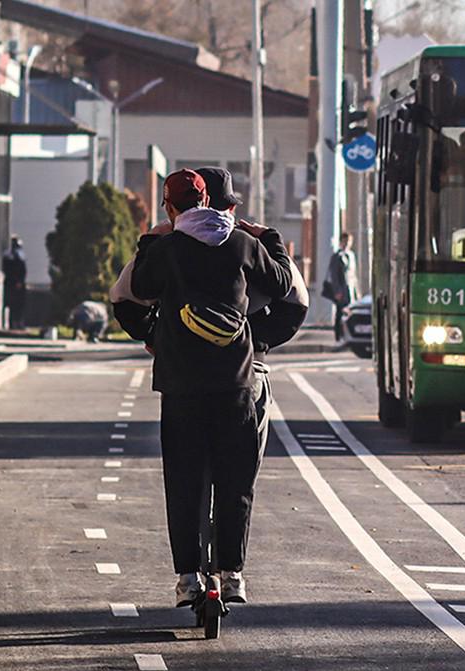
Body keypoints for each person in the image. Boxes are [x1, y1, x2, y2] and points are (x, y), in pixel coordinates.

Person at [130, 169, 293, 608]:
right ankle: (232, 573)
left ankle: (188, 578)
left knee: (184, 484)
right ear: (210, 202)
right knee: (235, 481)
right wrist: (269, 237)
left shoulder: (167, 250)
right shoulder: (242, 244)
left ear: (171, 206)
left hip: (182, 388)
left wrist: (151, 239)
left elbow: (141, 286)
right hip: (235, 384)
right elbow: (282, 284)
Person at [322, 232, 359, 341]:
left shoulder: (351, 255)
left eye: (349, 241)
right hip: (341, 289)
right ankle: (338, 337)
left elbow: (353, 274)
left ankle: (347, 335)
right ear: (341, 242)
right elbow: (333, 275)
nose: (346, 244)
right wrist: (337, 291)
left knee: (349, 311)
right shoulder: (337, 256)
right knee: (340, 312)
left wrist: (356, 290)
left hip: (350, 288)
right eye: (345, 241)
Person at [2, 236, 27, 329]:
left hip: (14, 283)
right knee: (13, 304)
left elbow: (23, 271)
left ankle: (17, 322)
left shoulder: (18, 256)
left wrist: (20, 281)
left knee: (18, 305)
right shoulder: (10, 256)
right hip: (11, 283)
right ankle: (13, 323)